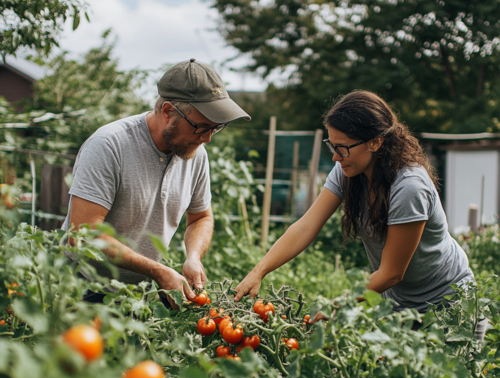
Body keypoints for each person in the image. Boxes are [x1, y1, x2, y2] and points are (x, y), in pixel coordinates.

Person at [235, 90, 474, 316]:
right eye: (332, 145)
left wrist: (337, 305)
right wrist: (259, 271)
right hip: (400, 305)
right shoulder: (348, 171)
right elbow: (305, 226)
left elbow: (392, 274)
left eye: (342, 148)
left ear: (375, 143)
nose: (335, 156)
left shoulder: (409, 186)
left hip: (449, 304)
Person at [62, 59, 250, 307]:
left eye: (216, 128)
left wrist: (193, 256)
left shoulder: (196, 153)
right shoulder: (109, 144)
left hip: (139, 294)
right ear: (168, 111)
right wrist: (158, 271)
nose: (207, 138)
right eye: (201, 127)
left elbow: (201, 217)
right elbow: (83, 233)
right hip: (81, 285)